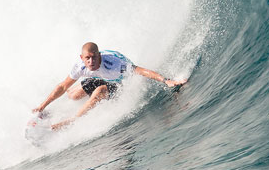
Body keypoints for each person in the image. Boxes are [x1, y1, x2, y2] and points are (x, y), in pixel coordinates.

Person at [33, 42, 187, 130]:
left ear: (99, 55)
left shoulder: (115, 65)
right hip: (100, 77)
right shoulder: (81, 66)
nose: (91, 62)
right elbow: (62, 86)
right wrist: (42, 106)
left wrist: (166, 80)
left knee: (100, 90)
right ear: (82, 58)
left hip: (120, 82)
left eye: (94, 57)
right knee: (73, 95)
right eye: (87, 58)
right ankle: (48, 113)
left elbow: (140, 71)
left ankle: (73, 120)